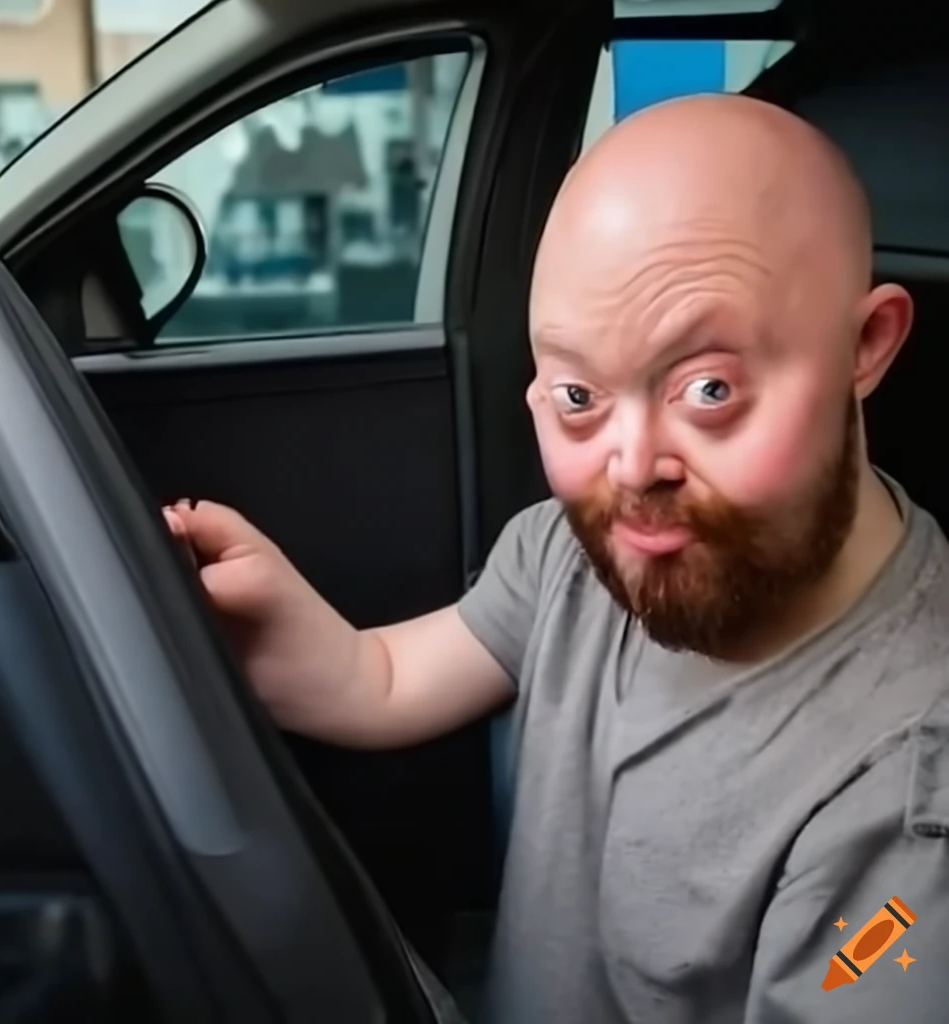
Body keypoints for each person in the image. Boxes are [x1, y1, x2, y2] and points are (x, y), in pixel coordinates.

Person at [164, 93, 949, 1023]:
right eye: (579, 396)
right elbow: (379, 680)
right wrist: (244, 625)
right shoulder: (570, 554)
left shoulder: (909, 789)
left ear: (866, 345)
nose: (633, 470)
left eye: (709, 389)